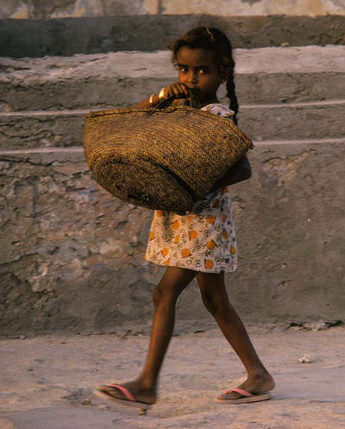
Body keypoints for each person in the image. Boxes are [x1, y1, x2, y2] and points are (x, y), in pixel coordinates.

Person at [94, 27, 274, 407]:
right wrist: (158, 98)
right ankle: (258, 374)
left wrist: (195, 183)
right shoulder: (173, 107)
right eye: (183, 69)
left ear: (222, 73)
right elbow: (127, 122)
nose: (191, 79)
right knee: (216, 302)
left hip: (204, 222)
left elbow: (242, 170)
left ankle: (146, 383)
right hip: (179, 218)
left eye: (202, 71)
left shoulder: (216, 116)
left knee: (164, 292)